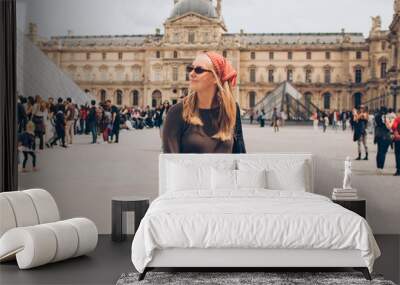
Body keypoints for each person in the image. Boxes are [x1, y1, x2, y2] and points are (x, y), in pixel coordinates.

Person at [162, 51, 246, 154]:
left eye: (199, 70)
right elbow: (170, 163)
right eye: (190, 68)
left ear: (216, 78)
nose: (191, 74)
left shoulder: (231, 109)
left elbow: (240, 155)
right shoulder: (177, 112)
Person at [374, 107, 392, 175]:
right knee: (383, 152)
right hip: (385, 135)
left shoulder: (377, 116)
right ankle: (381, 167)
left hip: (378, 135)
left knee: (379, 151)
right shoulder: (385, 117)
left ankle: (378, 167)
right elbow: (388, 127)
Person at [391, 109, 400, 176]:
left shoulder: (397, 119)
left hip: (398, 139)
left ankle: (398, 170)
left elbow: (393, 126)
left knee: (398, 155)